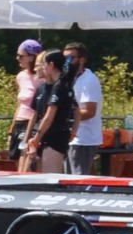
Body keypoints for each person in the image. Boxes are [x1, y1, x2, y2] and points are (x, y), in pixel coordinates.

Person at [24, 50, 77, 173]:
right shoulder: (53, 85)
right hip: (47, 136)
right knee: (33, 176)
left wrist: (35, 139)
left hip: (55, 136)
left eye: (43, 64)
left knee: (50, 177)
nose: (41, 67)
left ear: (51, 65)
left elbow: (49, 117)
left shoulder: (60, 85)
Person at [63, 40, 104, 176]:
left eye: (70, 58)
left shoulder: (89, 79)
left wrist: (65, 117)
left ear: (81, 60)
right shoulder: (68, 78)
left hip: (83, 139)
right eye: (64, 58)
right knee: (67, 177)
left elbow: (89, 111)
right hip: (71, 137)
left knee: (77, 178)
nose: (66, 62)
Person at [7, 40, 42, 162]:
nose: (18, 58)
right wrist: (11, 129)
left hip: (33, 123)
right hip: (20, 121)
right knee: (16, 158)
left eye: (21, 56)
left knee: (29, 161)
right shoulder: (21, 76)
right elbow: (19, 104)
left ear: (32, 57)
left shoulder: (41, 78)